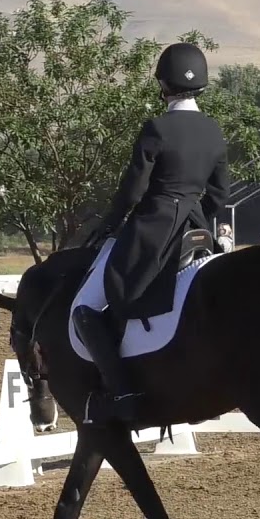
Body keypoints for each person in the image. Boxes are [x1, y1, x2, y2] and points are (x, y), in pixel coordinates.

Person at [78, 41, 230, 423]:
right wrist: (198, 217)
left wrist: (111, 223)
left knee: (89, 307)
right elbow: (219, 194)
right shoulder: (213, 131)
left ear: (162, 84)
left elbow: (132, 188)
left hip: (154, 225)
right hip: (197, 227)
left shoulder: (157, 127)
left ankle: (124, 391)